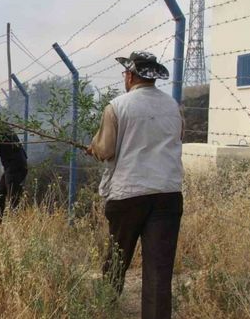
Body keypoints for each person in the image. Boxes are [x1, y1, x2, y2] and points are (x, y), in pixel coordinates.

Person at [86, 51, 183, 319]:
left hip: (128, 194)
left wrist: (93, 149)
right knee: (158, 270)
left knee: (117, 262)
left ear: (130, 75)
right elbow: (177, 137)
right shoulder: (173, 106)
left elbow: (105, 150)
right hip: (167, 194)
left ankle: (105, 310)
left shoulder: (117, 106)